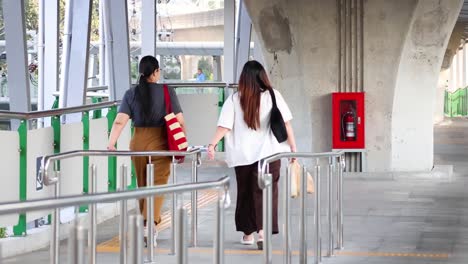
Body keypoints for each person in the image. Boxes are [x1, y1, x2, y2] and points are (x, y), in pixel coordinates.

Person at [207, 60, 297, 250]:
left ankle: (248, 234)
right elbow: (286, 124)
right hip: (270, 155)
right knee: (267, 192)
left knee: (246, 192)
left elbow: (224, 126)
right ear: (262, 76)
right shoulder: (273, 95)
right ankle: (262, 233)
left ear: (243, 78)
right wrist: (293, 149)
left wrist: (212, 144)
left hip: (243, 156)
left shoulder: (234, 99)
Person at [107, 55, 186, 246]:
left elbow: (120, 121)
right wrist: (182, 143)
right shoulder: (167, 91)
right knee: (157, 185)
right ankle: (150, 224)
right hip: (161, 142)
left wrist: (111, 143)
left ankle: (145, 224)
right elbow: (180, 121)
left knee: (143, 184)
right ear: (156, 72)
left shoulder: (131, 93)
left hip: (139, 142)